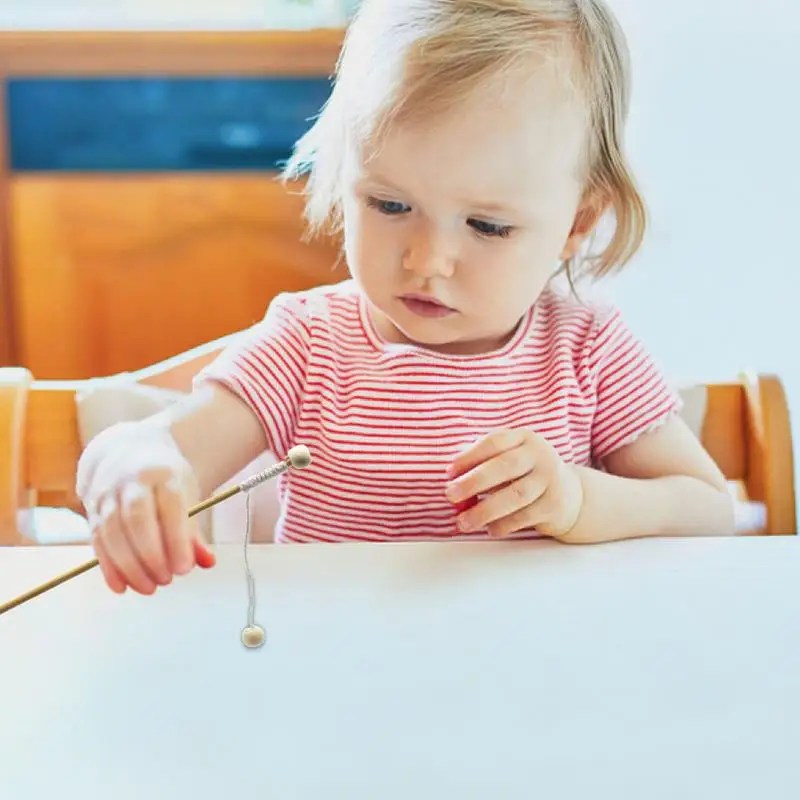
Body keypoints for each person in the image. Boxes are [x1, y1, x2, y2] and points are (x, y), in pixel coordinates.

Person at [76, 0, 735, 596]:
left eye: (487, 226)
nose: (426, 261)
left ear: (576, 224)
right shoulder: (308, 345)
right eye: (390, 204)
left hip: (535, 679)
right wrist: (134, 467)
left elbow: (706, 507)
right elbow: (155, 441)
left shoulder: (587, 350)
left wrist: (578, 501)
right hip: (336, 671)